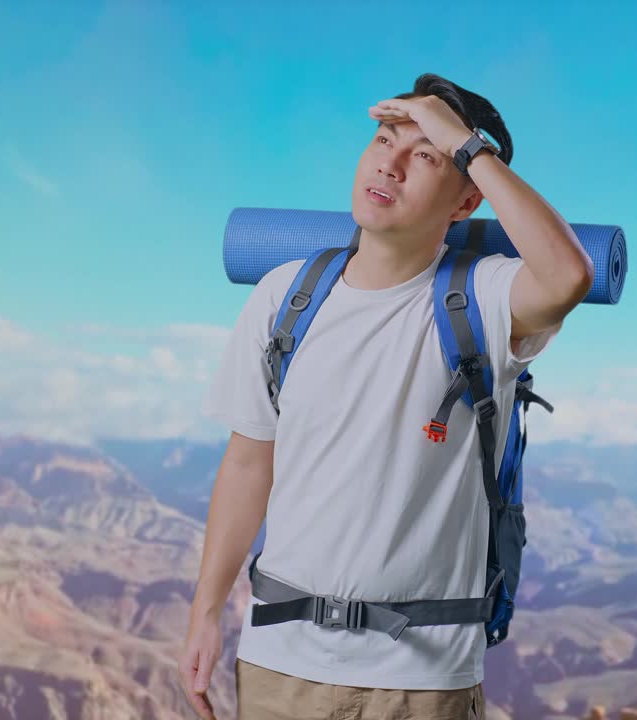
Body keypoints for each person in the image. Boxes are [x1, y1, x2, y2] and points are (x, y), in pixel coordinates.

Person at [179, 73, 594, 720]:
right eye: (383, 139)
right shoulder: (286, 296)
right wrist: (206, 611)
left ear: (465, 203)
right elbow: (247, 463)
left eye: (425, 155)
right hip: (279, 665)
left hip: (422, 680)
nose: (390, 164)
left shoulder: (486, 299)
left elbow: (569, 275)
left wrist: (467, 145)